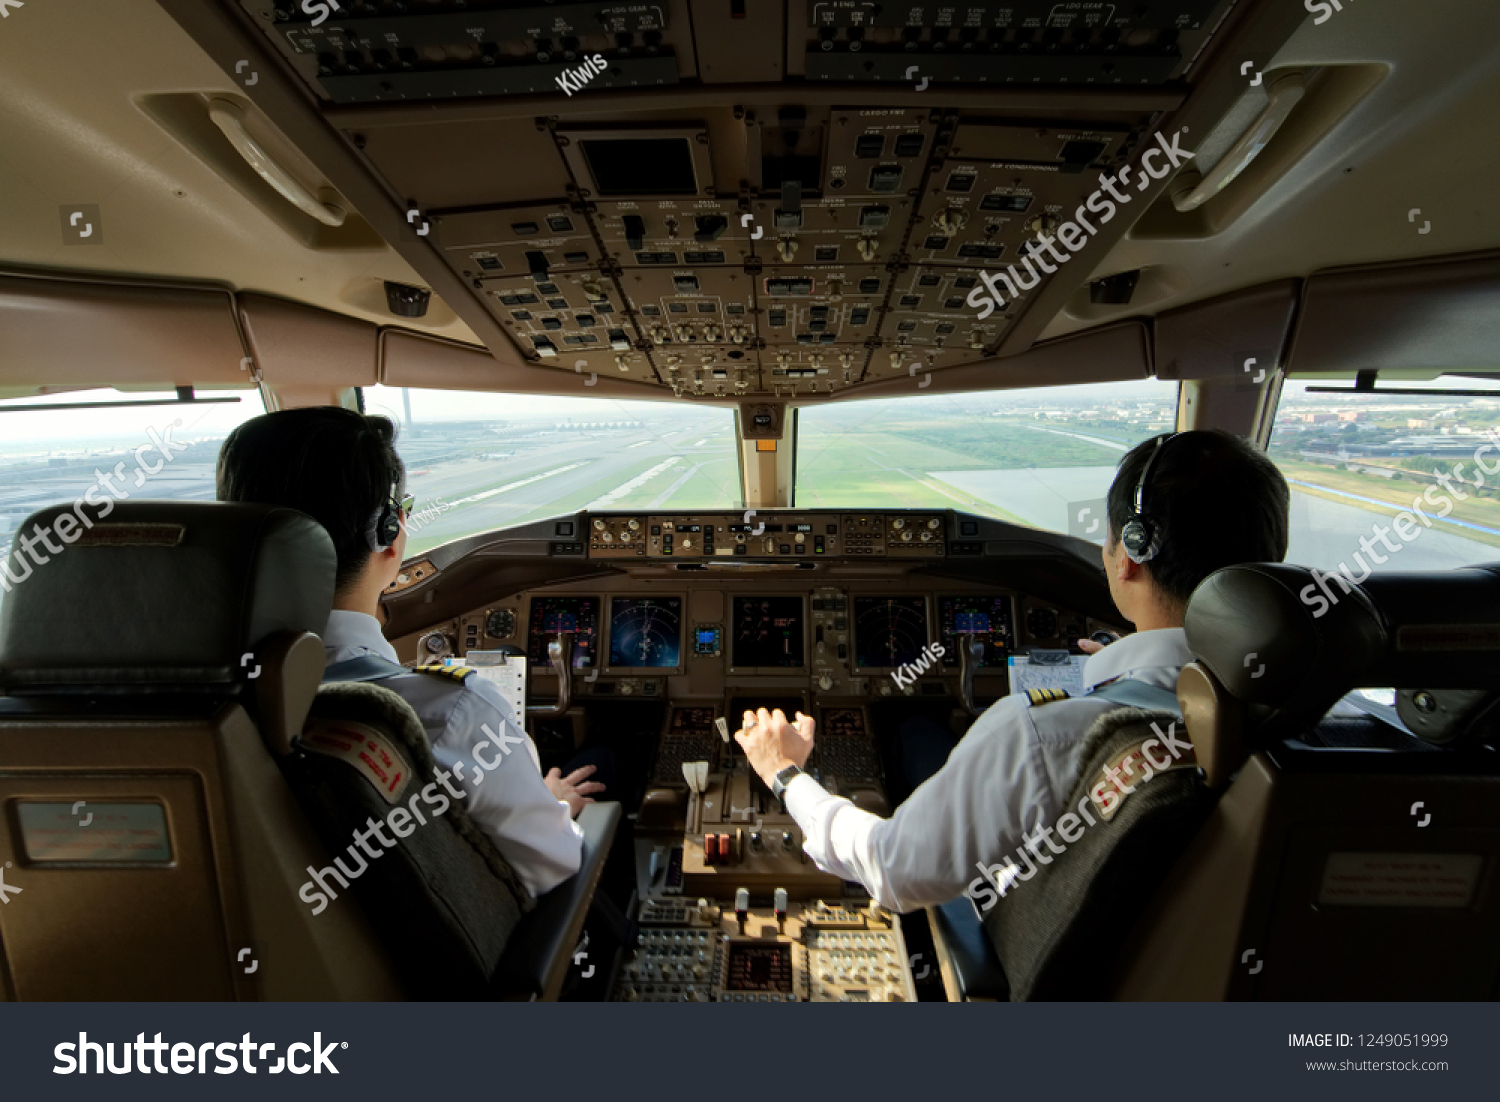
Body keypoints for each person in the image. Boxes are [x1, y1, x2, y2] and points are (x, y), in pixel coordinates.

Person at [734, 429, 1290, 912]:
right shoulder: (1311, 712)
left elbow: (891, 868)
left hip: (1023, 932)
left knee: (914, 736)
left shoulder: (1043, 731)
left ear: (1128, 556)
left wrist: (786, 773)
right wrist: (1123, 678)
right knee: (915, 734)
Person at [217, 406, 602, 899]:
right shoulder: (452, 711)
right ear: (389, 534)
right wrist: (553, 806)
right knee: (601, 772)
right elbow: (555, 867)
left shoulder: (190, 703)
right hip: (474, 967)